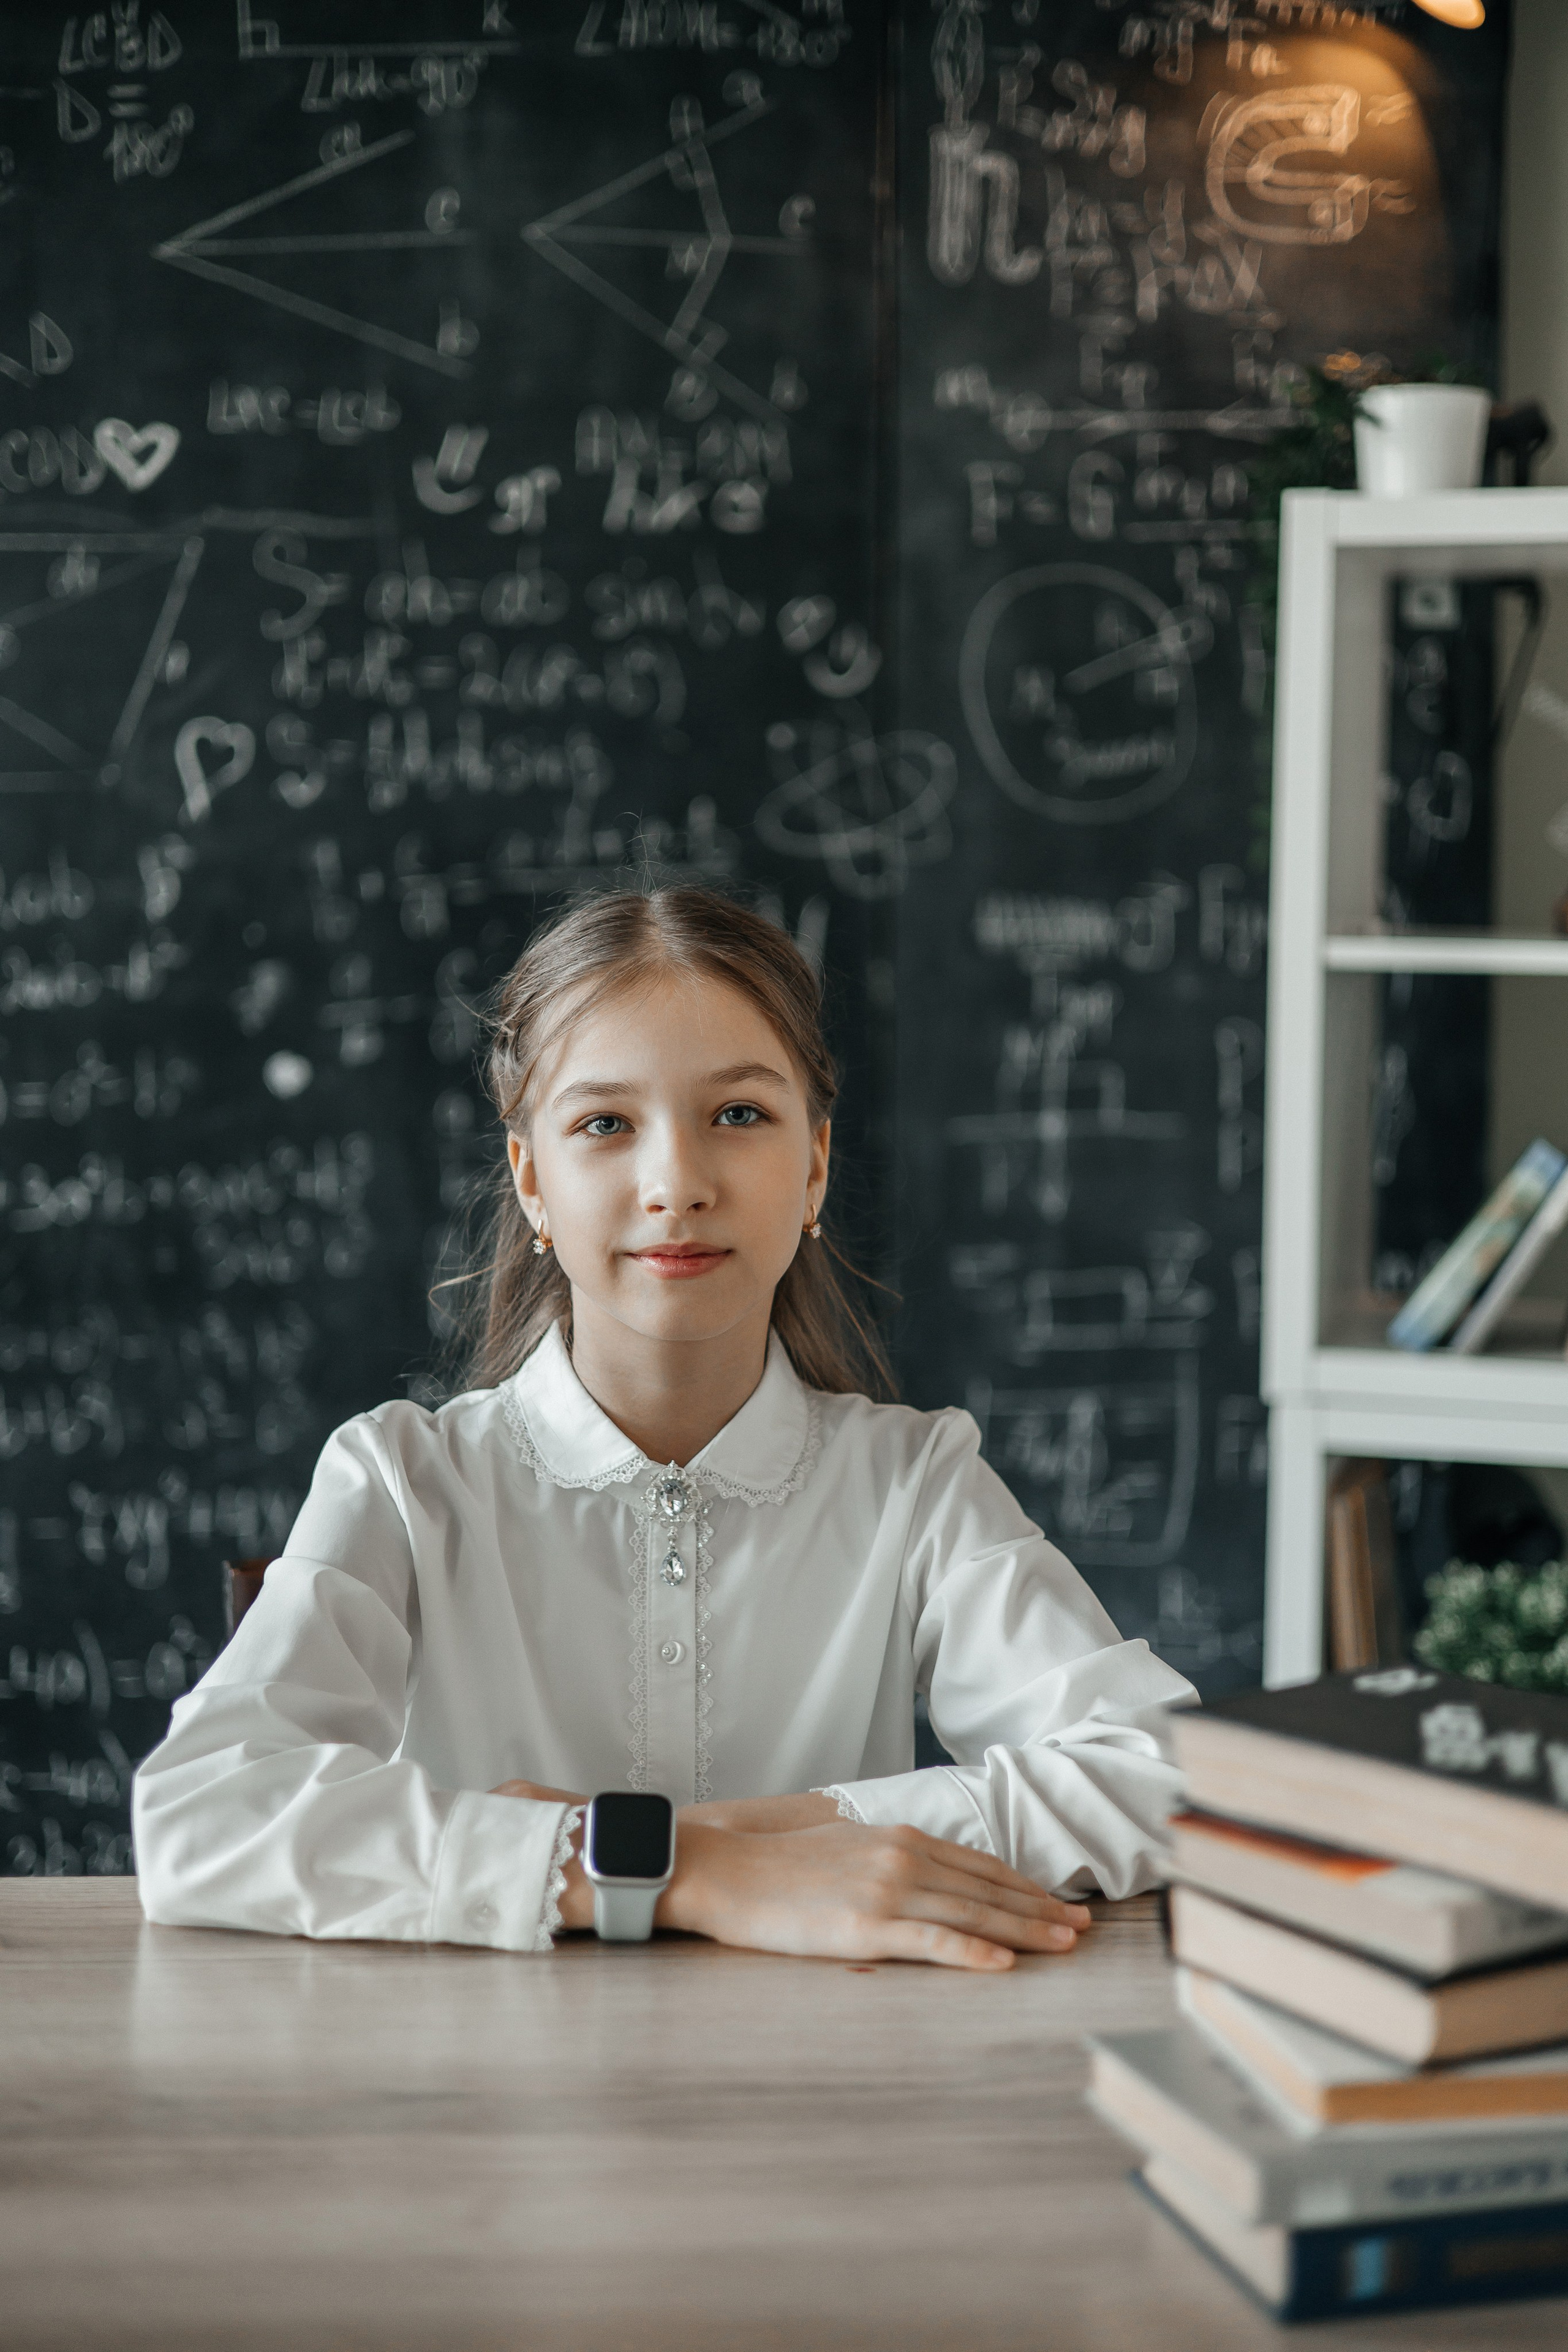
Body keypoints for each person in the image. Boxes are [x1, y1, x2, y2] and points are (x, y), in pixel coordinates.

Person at [134, 886, 1195, 1970]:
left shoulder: (913, 1480)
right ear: (533, 1180)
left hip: (825, 2081)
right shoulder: (405, 1479)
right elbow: (202, 1814)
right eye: (605, 1125)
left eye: (739, 1115)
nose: (677, 1184)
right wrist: (686, 1871)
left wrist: (752, 1834)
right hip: (482, 2092)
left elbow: (1168, 1773)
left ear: (817, 1165)